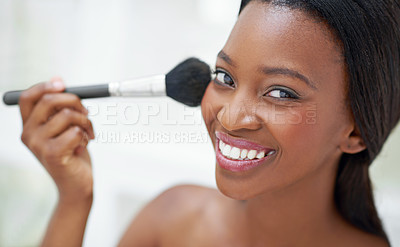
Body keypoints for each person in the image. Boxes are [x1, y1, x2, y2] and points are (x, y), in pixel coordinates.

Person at [18, 0, 399, 246]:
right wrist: (73, 200)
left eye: (281, 93)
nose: (230, 118)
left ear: (356, 131)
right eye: (225, 78)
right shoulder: (171, 221)